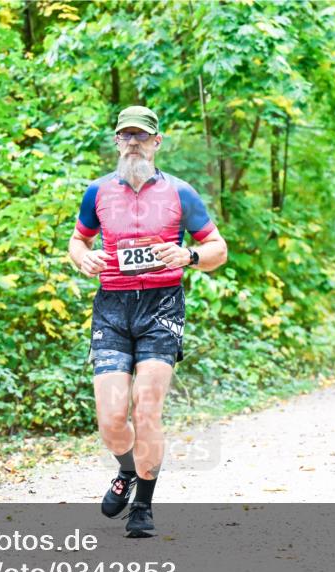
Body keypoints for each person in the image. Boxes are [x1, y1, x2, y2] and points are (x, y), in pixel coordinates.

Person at [68, 106, 228, 537]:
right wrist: (84, 258)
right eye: (125, 136)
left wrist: (189, 255)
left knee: (147, 407)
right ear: (117, 142)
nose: (133, 143)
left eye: (141, 136)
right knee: (111, 417)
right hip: (113, 307)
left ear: (157, 142)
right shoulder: (97, 192)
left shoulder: (181, 193)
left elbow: (218, 248)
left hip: (161, 305)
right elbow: (78, 240)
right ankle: (128, 470)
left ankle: (142, 507)